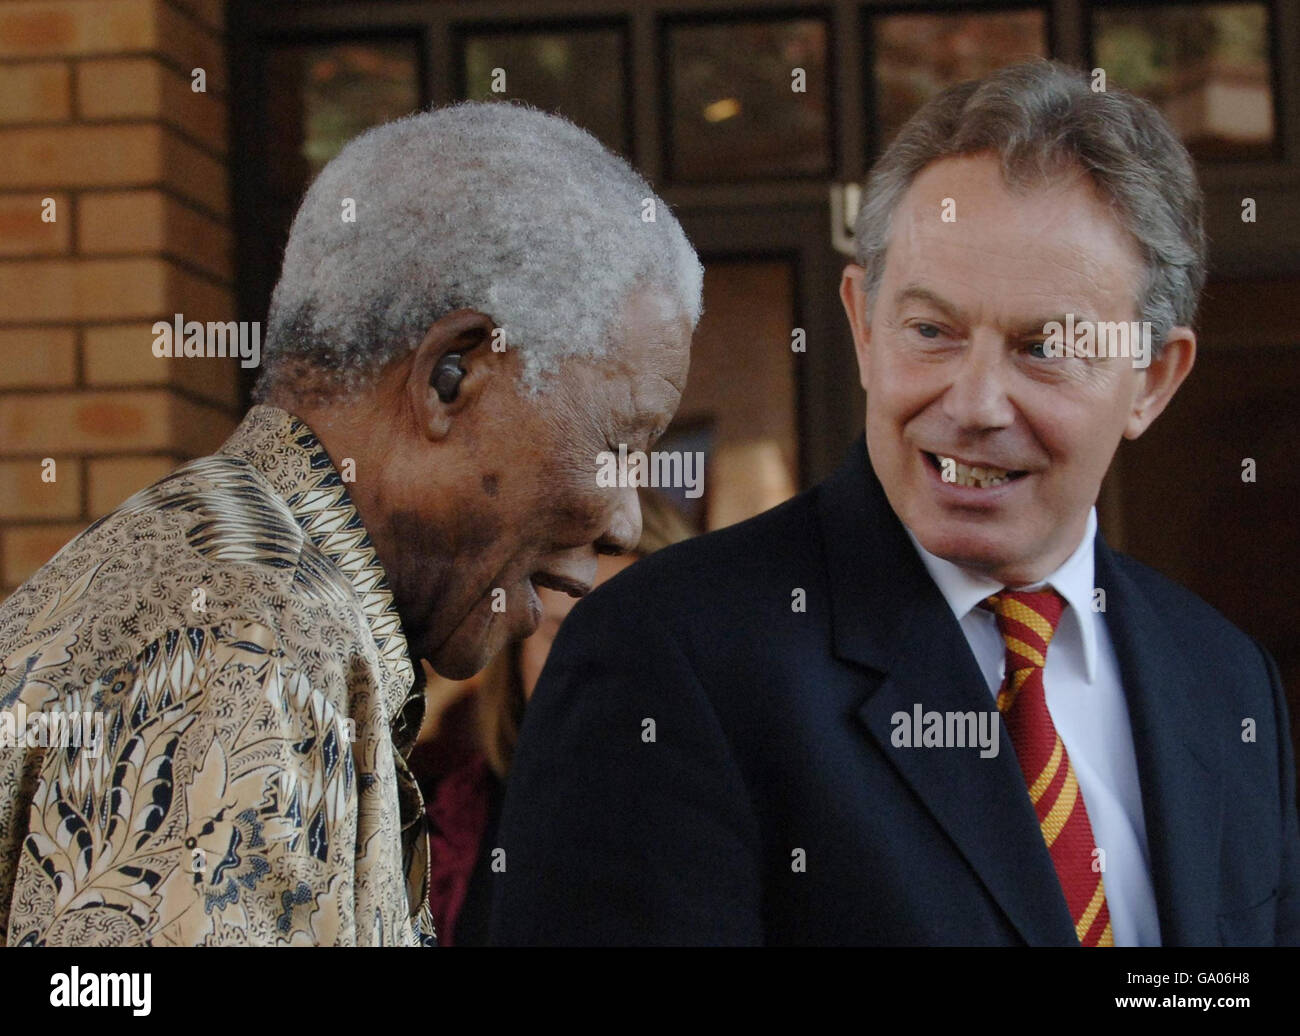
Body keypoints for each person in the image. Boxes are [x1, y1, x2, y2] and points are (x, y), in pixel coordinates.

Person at [490, 61, 1300, 946]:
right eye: (932, 332)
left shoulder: (1223, 681)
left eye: (1042, 347)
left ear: (1151, 380)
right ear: (863, 327)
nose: (974, 403)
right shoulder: (666, 658)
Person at [0, 102, 700, 946]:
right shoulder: (247, 643)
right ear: (453, 375)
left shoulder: (231, 579)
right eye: (619, 440)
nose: (625, 519)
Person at [412, 490, 695, 945]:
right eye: (563, 635)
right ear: (519, 648)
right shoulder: (439, 821)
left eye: (630, 639)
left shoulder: (728, 813)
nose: (592, 668)